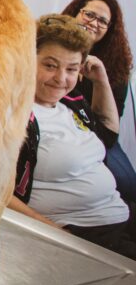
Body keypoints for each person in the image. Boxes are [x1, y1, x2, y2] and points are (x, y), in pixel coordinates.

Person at [9, 14, 136, 259]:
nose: (61, 78)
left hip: (121, 213)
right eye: (50, 65)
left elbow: (108, 133)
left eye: (72, 68)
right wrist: (57, 235)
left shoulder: (71, 104)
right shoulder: (14, 114)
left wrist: (100, 79)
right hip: (85, 232)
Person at [63, 0, 135, 202]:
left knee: (128, 185)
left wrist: (99, 79)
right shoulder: (49, 45)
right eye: (89, 15)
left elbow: (109, 129)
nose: (94, 23)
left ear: (110, 29)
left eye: (102, 21)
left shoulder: (117, 66)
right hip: (58, 127)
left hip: (97, 132)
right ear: (76, 13)